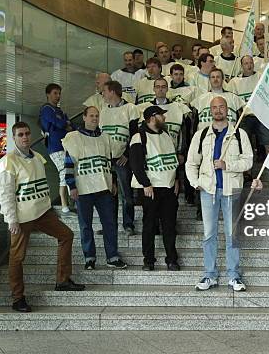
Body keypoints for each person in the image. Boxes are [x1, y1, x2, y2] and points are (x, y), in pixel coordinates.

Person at [0, 122, 85, 313]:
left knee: (66, 235)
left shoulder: (37, 157)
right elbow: (5, 193)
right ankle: (17, 298)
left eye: (27, 133)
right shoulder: (7, 162)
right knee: (17, 256)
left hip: (43, 212)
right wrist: (11, 219)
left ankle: (62, 280)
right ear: (14, 138)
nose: (25, 137)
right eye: (20, 134)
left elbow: (42, 185)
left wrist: (48, 208)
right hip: (22, 216)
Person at [186, 96, 253, 292]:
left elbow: (248, 161)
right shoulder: (201, 134)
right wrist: (195, 182)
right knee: (209, 234)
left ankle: (233, 275)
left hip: (232, 190)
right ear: (210, 111)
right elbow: (191, 162)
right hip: (208, 191)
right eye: (214, 108)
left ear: (227, 110)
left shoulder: (239, 134)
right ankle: (210, 274)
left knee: (232, 234)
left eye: (221, 107)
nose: (218, 110)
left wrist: (227, 165)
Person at [62, 106, 127, 270]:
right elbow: (69, 165)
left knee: (110, 223)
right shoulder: (73, 137)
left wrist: (112, 181)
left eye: (97, 116)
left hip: (104, 188)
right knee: (85, 225)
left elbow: (109, 162)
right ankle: (89, 257)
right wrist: (71, 186)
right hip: (83, 188)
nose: (94, 118)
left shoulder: (105, 137)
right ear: (84, 117)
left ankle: (112, 257)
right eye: (91, 115)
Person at [130, 105, 181, 271]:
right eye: (161, 115)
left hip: (168, 187)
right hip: (150, 189)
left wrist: (177, 180)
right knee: (149, 225)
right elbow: (136, 165)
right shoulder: (139, 137)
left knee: (169, 225)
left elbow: (172, 160)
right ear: (152, 118)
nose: (164, 118)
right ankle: (148, 260)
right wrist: (145, 184)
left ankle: (171, 259)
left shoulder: (165, 135)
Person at [100, 80, 140, 235]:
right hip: (106, 159)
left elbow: (135, 134)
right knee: (108, 194)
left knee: (126, 194)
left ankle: (128, 224)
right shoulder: (103, 111)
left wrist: (127, 154)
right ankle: (110, 226)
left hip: (122, 158)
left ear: (112, 91)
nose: (102, 94)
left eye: (104, 91)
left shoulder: (130, 108)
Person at [227, 55, 269, 156]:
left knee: (268, 142)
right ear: (242, 66)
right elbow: (232, 99)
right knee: (245, 143)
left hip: (262, 116)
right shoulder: (235, 82)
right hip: (245, 116)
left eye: (251, 62)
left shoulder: (261, 76)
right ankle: (247, 170)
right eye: (246, 63)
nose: (249, 65)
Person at [40, 83, 72, 213]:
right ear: (48, 94)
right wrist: (65, 124)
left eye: (59, 93)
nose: (58, 96)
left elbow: (70, 125)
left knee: (69, 171)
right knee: (64, 171)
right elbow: (59, 123)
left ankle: (69, 201)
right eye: (55, 93)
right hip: (55, 146)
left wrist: (64, 124)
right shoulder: (46, 109)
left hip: (65, 144)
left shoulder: (59, 110)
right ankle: (64, 202)